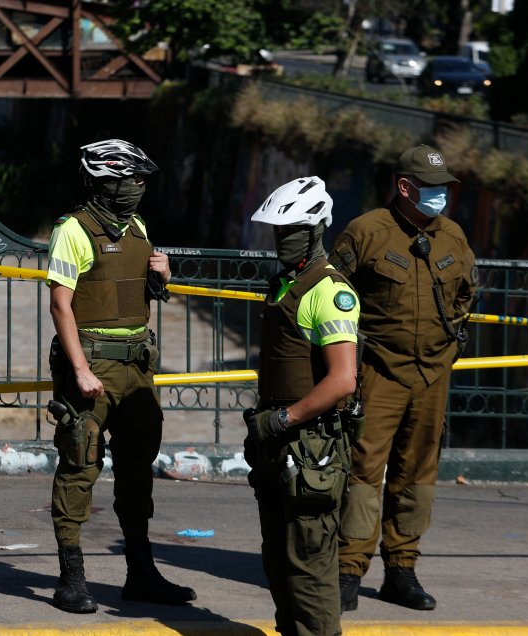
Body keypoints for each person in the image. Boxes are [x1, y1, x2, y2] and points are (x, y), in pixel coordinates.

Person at [45, 138, 195, 613]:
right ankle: (71, 580)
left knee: (137, 469)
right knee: (80, 464)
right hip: (93, 365)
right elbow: (60, 305)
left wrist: (162, 276)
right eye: (132, 179)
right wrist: (80, 370)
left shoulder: (138, 227)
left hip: (137, 365)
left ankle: (141, 574)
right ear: (107, 182)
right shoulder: (73, 230)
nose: (139, 186)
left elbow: (137, 294)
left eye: (141, 180)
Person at [328, 144, 478, 612]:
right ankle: (348, 570)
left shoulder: (452, 236)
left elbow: (466, 295)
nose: (441, 195)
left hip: (432, 374)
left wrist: (449, 347)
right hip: (377, 371)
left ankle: (402, 569)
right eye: (431, 187)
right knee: (363, 471)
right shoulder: (366, 232)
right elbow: (333, 296)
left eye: (445, 187)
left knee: (418, 474)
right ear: (405, 187)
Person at [244, 176, 360, 636]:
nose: (281, 238)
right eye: (277, 230)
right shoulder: (283, 286)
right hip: (277, 444)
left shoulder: (330, 292)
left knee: (309, 568)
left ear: (315, 231)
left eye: (290, 229)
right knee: (278, 561)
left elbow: (343, 380)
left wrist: (284, 419)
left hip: (312, 449)